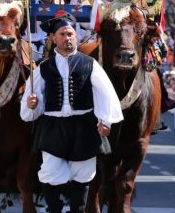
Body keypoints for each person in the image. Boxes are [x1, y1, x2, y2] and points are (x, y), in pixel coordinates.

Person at [20, 12, 123, 213]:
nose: (68, 38)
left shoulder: (89, 64)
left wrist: (106, 121)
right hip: (53, 126)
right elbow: (33, 100)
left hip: (83, 125)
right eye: (63, 34)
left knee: (83, 173)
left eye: (71, 34)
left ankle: (77, 209)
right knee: (50, 171)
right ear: (54, 38)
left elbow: (105, 93)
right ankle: (55, 208)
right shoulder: (44, 67)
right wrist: (32, 104)